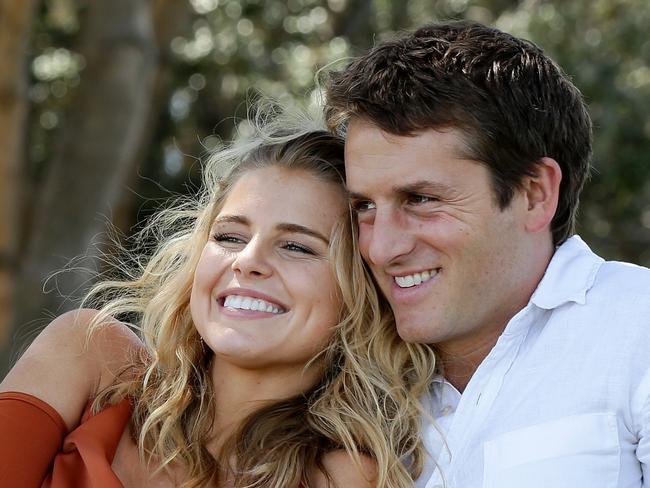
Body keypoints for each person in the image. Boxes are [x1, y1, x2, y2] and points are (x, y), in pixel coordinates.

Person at [0, 107, 436, 487]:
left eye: (297, 246)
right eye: (229, 236)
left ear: (358, 288)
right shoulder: (90, 359)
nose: (247, 261)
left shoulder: (342, 477)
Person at [324, 20, 650, 488]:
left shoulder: (637, 329)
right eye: (364, 207)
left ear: (534, 194)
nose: (380, 247)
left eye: (421, 199)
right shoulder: (342, 376)